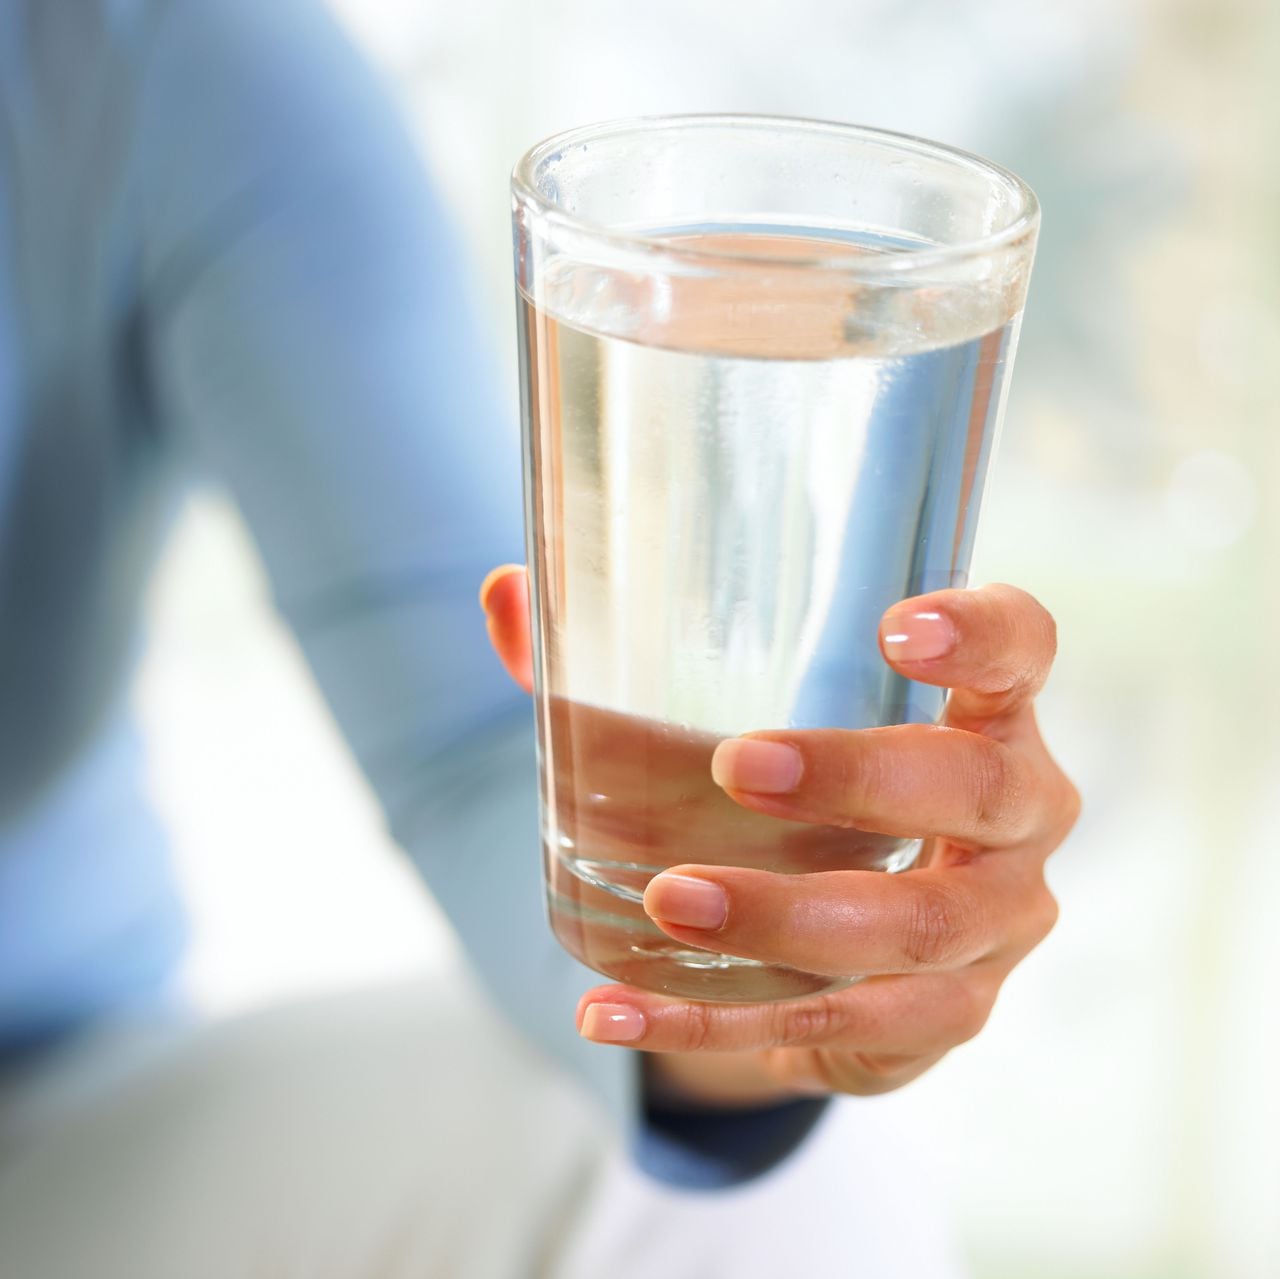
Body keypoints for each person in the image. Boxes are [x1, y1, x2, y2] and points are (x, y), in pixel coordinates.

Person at [0, 0, 1078, 1274]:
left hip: (44, 1113)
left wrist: (743, 990)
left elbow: (466, 740)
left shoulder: (156, 52)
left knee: (748, 1193)